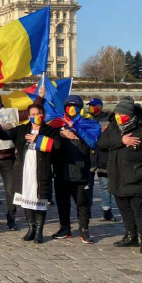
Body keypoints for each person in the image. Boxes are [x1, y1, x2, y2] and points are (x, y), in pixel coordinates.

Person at [0, 102, 61, 243]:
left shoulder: (50, 130)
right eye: (33, 114)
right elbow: (5, 135)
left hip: (41, 170)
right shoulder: (22, 129)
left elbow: (57, 145)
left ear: (43, 114)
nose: (36, 116)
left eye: (38, 114)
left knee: (39, 200)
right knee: (27, 200)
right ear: (29, 116)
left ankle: (39, 230)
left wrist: (38, 139)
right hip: (24, 169)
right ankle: (31, 229)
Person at [98, 97, 142, 254]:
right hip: (117, 176)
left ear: (131, 115)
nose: (119, 117)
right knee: (125, 210)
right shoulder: (113, 128)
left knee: (140, 211)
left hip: (136, 176)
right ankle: (130, 235)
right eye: (117, 113)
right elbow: (101, 143)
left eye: (123, 114)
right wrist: (121, 140)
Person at [0, 91, 42, 231]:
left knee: (10, 190)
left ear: (0, 101)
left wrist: (40, 98)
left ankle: (11, 218)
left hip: (8, 158)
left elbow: (30, 112)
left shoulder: (10, 113)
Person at [52, 95, 102, 243]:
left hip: (81, 171)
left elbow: (93, 142)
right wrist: (61, 132)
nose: (72, 109)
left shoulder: (90, 123)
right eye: (69, 106)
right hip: (61, 169)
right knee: (62, 202)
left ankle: (84, 229)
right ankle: (65, 227)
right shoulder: (58, 123)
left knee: (82, 203)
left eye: (75, 107)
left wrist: (76, 127)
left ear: (80, 109)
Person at [87, 98, 116, 221]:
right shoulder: (86, 119)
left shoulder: (109, 120)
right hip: (89, 157)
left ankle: (107, 210)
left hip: (104, 157)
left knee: (105, 185)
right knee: (88, 185)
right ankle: (87, 209)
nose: (92, 108)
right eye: (90, 106)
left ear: (101, 106)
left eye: (94, 105)